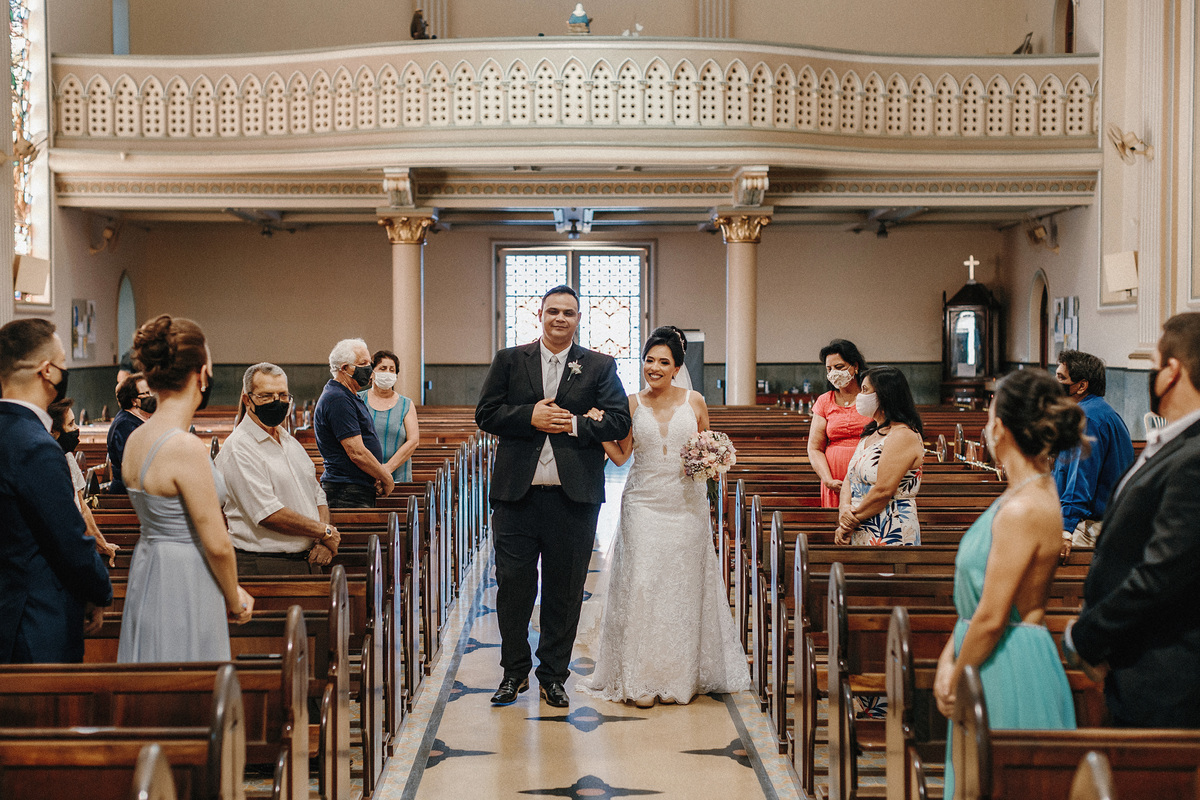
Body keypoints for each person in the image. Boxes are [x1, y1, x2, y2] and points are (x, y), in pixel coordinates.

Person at [476, 285, 631, 708]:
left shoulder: (598, 365)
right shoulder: (510, 360)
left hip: (573, 497)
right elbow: (485, 414)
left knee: (565, 591)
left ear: (578, 319)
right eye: (553, 311)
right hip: (517, 495)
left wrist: (574, 425)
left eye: (569, 313)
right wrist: (530, 416)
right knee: (513, 588)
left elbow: (618, 421)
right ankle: (513, 673)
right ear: (539, 315)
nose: (560, 318)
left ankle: (554, 675)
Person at [579, 326, 749, 707]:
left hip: (686, 507)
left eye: (663, 362)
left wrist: (713, 461)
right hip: (643, 503)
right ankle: (639, 677)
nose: (654, 368)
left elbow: (711, 448)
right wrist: (597, 427)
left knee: (680, 588)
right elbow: (621, 456)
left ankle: (678, 674)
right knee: (643, 584)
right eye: (649, 360)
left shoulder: (696, 401)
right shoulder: (631, 402)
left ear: (676, 368)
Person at [935, 370, 1082, 796]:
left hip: (1006, 665)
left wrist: (955, 675)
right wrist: (949, 658)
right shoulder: (1021, 495)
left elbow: (994, 616)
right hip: (983, 658)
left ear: (999, 427)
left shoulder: (1026, 508)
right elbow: (976, 609)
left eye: (989, 415)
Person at [1066, 312, 1200, 727]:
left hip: (1161, 674)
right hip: (1139, 660)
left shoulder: (1193, 458)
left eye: (1156, 363)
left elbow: (1161, 572)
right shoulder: (1177, 443)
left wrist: (1086, 638)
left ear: (1171, 372)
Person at [117, 315, 253, 662]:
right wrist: (234, 597)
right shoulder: (184, 447)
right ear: (201, 374)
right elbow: (217, 543)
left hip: (149, 565)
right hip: (185, 575)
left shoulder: (136, 438)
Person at [0, 318, 113, 663]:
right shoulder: (36, 446)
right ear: (47, 371)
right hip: (33, 619)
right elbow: (67, 539)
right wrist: (99, 590)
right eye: (64, 363)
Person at [216, 363, 340, 575]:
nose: (276, 402)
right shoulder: (239, 448)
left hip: (307, 559)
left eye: (282, 395)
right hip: (265, 564)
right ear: (248, 400)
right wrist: (325, 531)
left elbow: (317, 496)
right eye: (266, 396)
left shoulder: (289, 441)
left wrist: (322, 541)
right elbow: (268, 514)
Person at [1053, 350, 1135, 550]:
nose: (1054, 384)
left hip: (1088, 528)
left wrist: (1066, 530)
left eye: (1061, 378)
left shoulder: (1087, 419)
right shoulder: (1104, 412)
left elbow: (1079, 479)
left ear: (1081, 386)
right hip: (1110, 523)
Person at [835, 366, 924, 547]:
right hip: (861, 523)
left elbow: (883, 490)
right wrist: (844, 509)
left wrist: (848, 523)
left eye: (865, 390)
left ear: (884, 395)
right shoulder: (872, 433)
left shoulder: (903, 435)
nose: (860, 396)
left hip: (890, 525)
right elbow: (849, 478)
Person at [315, 338, 394, 508]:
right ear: (345, 368)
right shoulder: (337, 398)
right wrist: (385, 477)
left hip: (356, 488)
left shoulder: (348, 394)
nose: (369, 368)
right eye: (363, 363)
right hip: (346, 491)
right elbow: (356, 452)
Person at [48, 397, 119, 567]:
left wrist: (102, 543)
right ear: (54, 432)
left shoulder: (68, 457)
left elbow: (82, 507)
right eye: (71, 424)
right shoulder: (46, 464)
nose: (76, 429)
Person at [808, 339, 871, 507]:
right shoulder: (824, 401)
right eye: (829, 369)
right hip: (834, 478)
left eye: (839, 367)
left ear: (855, 366)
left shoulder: (871, 397)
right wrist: (827, 479)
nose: (834, 373)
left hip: (868, 474)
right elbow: (814, 448)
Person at [359, 350, 420, 484]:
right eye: (382, 368)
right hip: (364, 475)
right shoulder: (358, 400)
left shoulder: (406, 404)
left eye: (392, 370)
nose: (387, 373)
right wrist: (376, 471)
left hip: (398, 475)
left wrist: (387, 469)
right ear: (372, 372)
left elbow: (413, 441)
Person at [106, 372, 156, 494]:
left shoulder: (141, 419)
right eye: (146, 393)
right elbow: (133, 469)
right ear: (134, 400)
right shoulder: (124, 425)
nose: (152, 397)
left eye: (152, 392)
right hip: (127, 495)